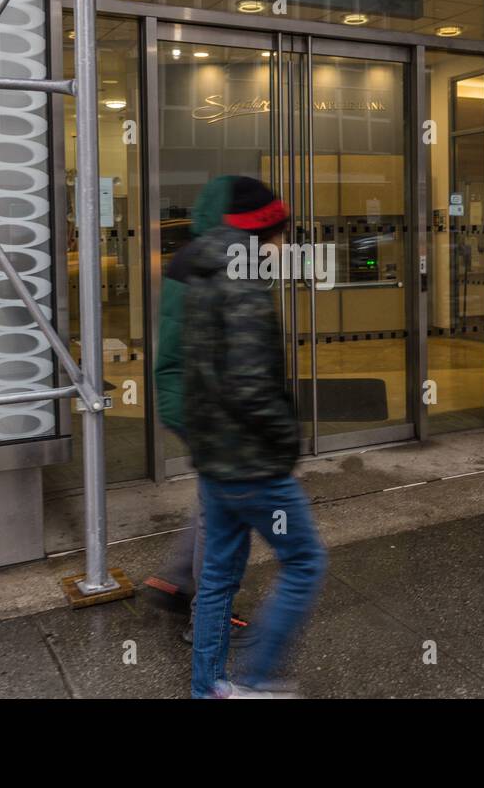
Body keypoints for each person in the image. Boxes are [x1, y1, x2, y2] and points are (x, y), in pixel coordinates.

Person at [182, 176, 326, 698]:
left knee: (218, 580)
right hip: (250, 463)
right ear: (266, 233)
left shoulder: (204, 272)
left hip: (214, 462)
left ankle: (210, 689)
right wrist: (285, 440)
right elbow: (247, 384)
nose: (287, 246)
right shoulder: (243, 282)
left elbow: (199, 373)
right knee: (306, 561)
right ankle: (256, 680)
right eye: (284, 236)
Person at [145, 175, 233, 642]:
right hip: (202, 408)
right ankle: (207, 618)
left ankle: (176, 579)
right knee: (222, 511)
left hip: (190, 401)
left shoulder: (198, 256)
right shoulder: (209, 264)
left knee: (212, 503)